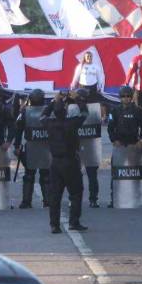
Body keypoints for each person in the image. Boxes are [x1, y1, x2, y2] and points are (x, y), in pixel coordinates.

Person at [42, 91, 88, 233]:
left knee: (55, 195)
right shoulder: (72, 123)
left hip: (56, 162)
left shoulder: (49, 123)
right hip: (70, 161)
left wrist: (53, 101)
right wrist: (77, 99)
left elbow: (42, 115)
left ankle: (54, 225)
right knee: (75, 192)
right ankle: (74, 222)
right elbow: (85, 113)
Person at [107, 85, 142, 208]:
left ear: (131, 97)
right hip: (119, 145)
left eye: (128, 96)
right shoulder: (114, 111)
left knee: (135, 172)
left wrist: (141, 140)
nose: (126, 99)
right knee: (116, 172)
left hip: (133, 144)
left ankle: (137, 198)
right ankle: (114, 198)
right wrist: (114, 140)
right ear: (120, 97)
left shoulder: (138, 111)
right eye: (123, 96)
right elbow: (110, 128)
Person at [14, 89, 51, 209]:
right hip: (45, 146)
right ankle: (47, 200)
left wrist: (17, 146)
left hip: (32, 146)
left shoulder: (25, 112)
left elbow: (18, 129)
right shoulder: (48, 111)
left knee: (29, 174)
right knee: (45, 175)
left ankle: (26, 201)